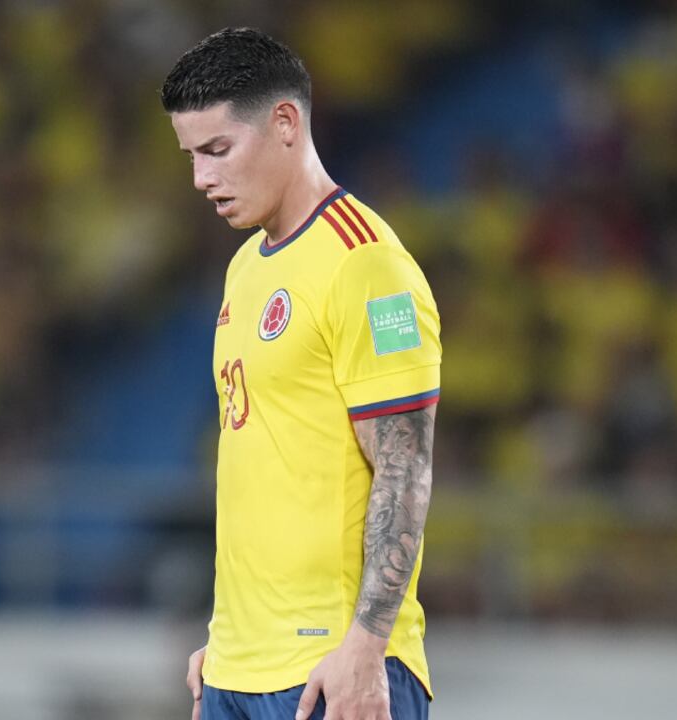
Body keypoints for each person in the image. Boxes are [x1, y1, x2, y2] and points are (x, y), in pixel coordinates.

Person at [161, 27, 441, 720]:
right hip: (237, 665)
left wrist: (367, 647)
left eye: (218, 150)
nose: (201, 178)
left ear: (286, 122)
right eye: (192, 156)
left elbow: (404, 466)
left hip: (330, 669)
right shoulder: (246, 267)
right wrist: (227, 640)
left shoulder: (368, 266)